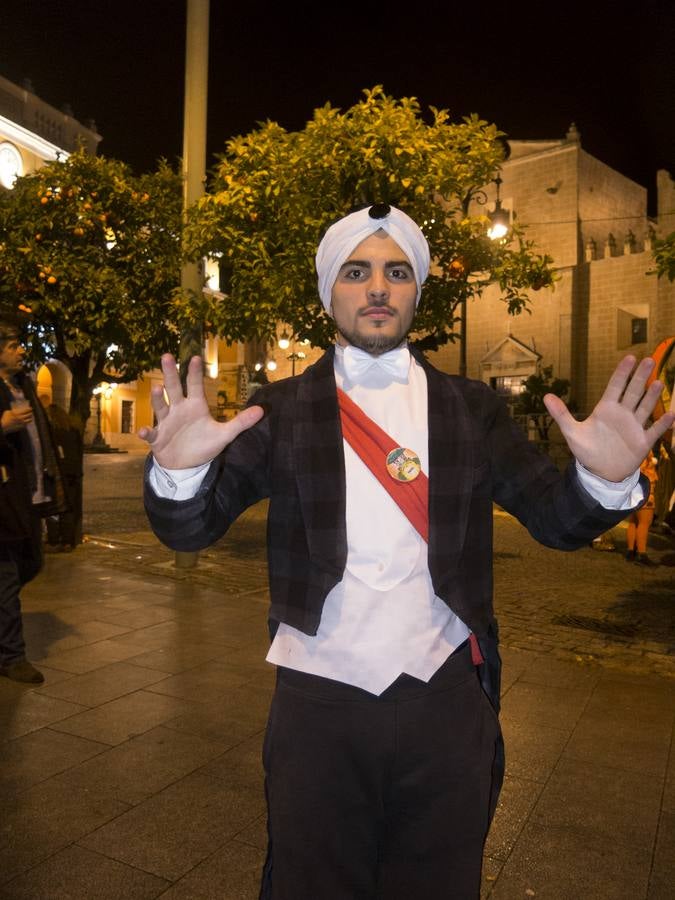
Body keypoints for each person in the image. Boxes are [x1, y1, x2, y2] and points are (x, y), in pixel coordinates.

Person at [141, 204, 674, 900]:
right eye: (356, 272)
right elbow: (190, 530)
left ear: (417, 291)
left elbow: (552, 519)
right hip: (316, 697)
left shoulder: (471, 407)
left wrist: (602, 481)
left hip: (444, 696)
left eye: (396, 272)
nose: (377, 288)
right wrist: (178, 474)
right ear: (329, 290)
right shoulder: (280, 409)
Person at [0, 310, 67, 684]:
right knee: (8, 575)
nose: (21, 350)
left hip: (29, 495)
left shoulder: (23, 385)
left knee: (32, 564)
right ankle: (12, 656)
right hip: (5, 498)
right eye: (12, 345)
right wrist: (2, 426)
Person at [42, 399, 84, 552]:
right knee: (69, 508)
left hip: (57, 475)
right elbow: (79, 453)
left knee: (53, 509)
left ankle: (53, 540)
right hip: (73, 474)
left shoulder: (52, 431)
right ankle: (68, 541)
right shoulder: (72, 430)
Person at [625, 448, 659, 565]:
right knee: (645, 522)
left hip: (633, 488)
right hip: (645, 488)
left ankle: (630, 551)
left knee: (633, 521)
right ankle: (641, 553)